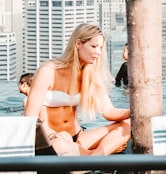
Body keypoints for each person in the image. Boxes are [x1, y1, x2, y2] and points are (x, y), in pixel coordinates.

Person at [23, 23, 131, 156]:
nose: (98, 52)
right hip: (51, 139)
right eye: (93, 46)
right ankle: (96, 155)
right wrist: (53, 134)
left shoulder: (91, 75)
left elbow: (109, 112)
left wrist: (136, 112)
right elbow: (30, 117)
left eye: (100, 48)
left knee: (128, 124)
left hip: (78, 137)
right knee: (60, 146)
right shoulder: (48, 71)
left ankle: (94, 157)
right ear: (78, 44)